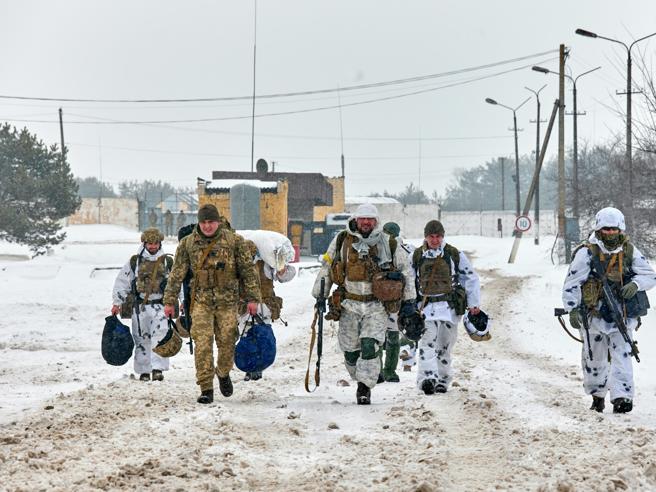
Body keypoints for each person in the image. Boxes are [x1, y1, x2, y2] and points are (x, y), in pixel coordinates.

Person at [312, 203, 416, 404]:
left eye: (370, 219)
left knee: (369, 345)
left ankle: (364, 387)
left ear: (376, 221)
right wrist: (320, 295)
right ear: (356, 220)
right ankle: (359, 374)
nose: (366, 222)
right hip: (349, 305)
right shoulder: (342, 240)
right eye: (363, 218)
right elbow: (327, 267)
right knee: (350, 351)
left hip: (376, 306)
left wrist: (409, 302)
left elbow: (406, 271)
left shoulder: (389, 242)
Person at [163, 204, 261, 404]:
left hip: (227, 302)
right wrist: (169, 301)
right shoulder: (188, 244)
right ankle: (206, 387)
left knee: (227, 343)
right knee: (203, 344)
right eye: (204, 222)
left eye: (211, 222)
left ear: (218, 222)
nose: (207, 226)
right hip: (201, 302)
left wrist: (253, 298)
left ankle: (223, 372)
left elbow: (248, 271)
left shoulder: (234, 241)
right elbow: (176, 274)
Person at [562, 207, 655, 414]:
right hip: (593, 316)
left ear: (620, 229)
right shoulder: (587, 252)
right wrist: (572, 308)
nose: (611, 233)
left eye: (614, 229)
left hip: (621, 315)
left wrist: (636, 285)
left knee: (622, 356)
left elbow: (649, 275)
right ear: (599, 229)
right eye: (606, 229)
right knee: (594, 358)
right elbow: (572, 282)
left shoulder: (628, 250)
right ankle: (597, 396)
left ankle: (622, 397)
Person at [411, 219, 482, 395]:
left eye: (438, 236)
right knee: (427, 343)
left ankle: (443, 380)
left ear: (442, 237)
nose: (435, 240)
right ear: (425, 237)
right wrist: (408, 305)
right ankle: (427, 378)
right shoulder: (416, 256)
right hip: (425, 309)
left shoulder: (453, 254)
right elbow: (409, 280)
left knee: (444, 346)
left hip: (449, 309)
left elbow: (470, 277)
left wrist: (473, 303)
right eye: (431, 236)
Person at [111, 227, 173, 382]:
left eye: (155, 243)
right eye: (149, 243)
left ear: (159, 243)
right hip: (140, 307)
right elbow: (122, 282)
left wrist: (182, 301)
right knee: (141, 338)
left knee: (160, 337)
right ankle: (144, 370)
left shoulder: (167, 261)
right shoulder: (135, 262)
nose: (152, 246)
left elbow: (176, 283)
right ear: (144, 244)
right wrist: (117, 303)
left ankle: (157, 369)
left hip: (160, 306)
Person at [239, 239, 296, 381]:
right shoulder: (239, 265)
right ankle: (250, 367)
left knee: (261, 338)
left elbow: (286, 276)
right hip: (244, 307)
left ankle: (257, 367)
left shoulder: (267, 263)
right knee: (246, 336)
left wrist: (281, 268)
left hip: (264, 307)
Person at [377, 221, 415, 383]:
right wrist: (410, 300)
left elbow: (407, 274)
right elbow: (409, 275)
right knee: (392, 337)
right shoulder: (404, 250)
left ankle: (381, 371)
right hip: (393, 299)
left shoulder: (391, 248)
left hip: (383, 297)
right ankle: (388, 371)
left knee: (380, 337)